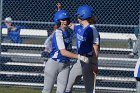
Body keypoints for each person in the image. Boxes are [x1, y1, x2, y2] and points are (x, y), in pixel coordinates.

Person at [42, 9, 89, 93]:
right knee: (47, 90)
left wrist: (60, 11)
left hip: (65, 64)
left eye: (66, 19)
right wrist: (79, 56)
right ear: (58, 21)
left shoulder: (68, 32)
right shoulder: (58, 33)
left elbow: (71, 25)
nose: (65, 21)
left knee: (62, 91)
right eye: (62, 20)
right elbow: (63, 52)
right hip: (54, 63)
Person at [56, 3, 100, 93]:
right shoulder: (79, 27)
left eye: (79, 16)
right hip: (80, 59)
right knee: (67, 84)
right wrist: (60, 11)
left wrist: (95, 64)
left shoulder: (92, 29)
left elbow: (95, 48)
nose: (77, 18)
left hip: (88, 60)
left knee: (89, 89)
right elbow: (67, 23)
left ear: (83, 16)